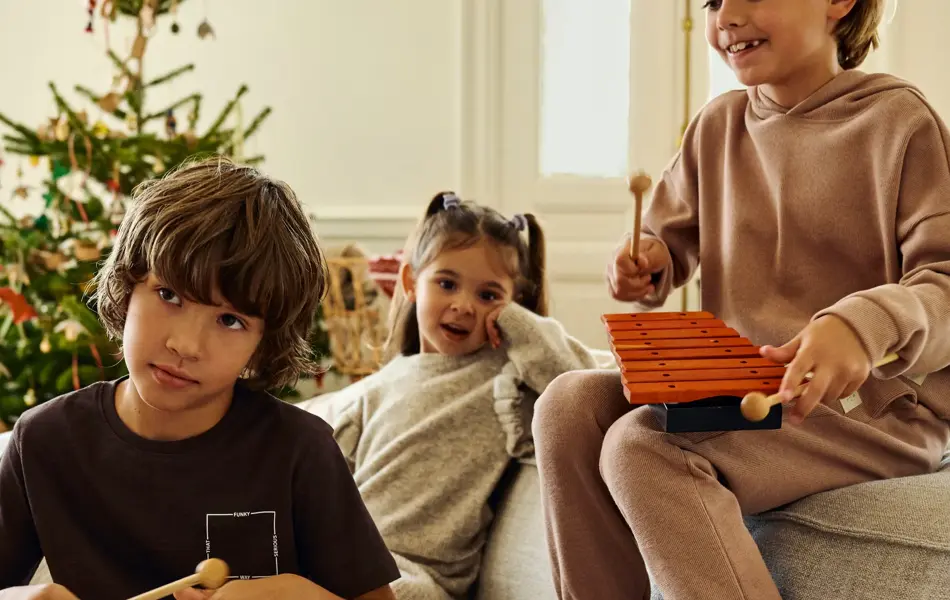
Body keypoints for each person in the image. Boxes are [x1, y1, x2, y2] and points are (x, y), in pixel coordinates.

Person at [531, 1, 950, 599]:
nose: (727, 14)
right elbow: (663, 241)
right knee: (566, 406)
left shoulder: (900, 123)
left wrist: (863, 327)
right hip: (742, 390)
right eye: (711, 0)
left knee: (641, 450)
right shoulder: (717, 126)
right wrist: (647, 263)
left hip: (871, 411)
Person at [0, 157, 400, 600]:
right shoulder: (43, 441)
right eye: (168, 294)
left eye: (230, 320)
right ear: (126, 283)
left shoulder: (300, 452)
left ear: (263, 343)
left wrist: (295, 593)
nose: (186, 345)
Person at [323, 192, 614, 600]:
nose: (463, 305)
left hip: (421, 579)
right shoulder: (384, 383)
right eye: (446, 284)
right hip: (351, 558)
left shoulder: (506, 376)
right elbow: (322, 468)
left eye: (488, 295)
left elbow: (576, 381)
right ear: (410, 283)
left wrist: (513, 317)